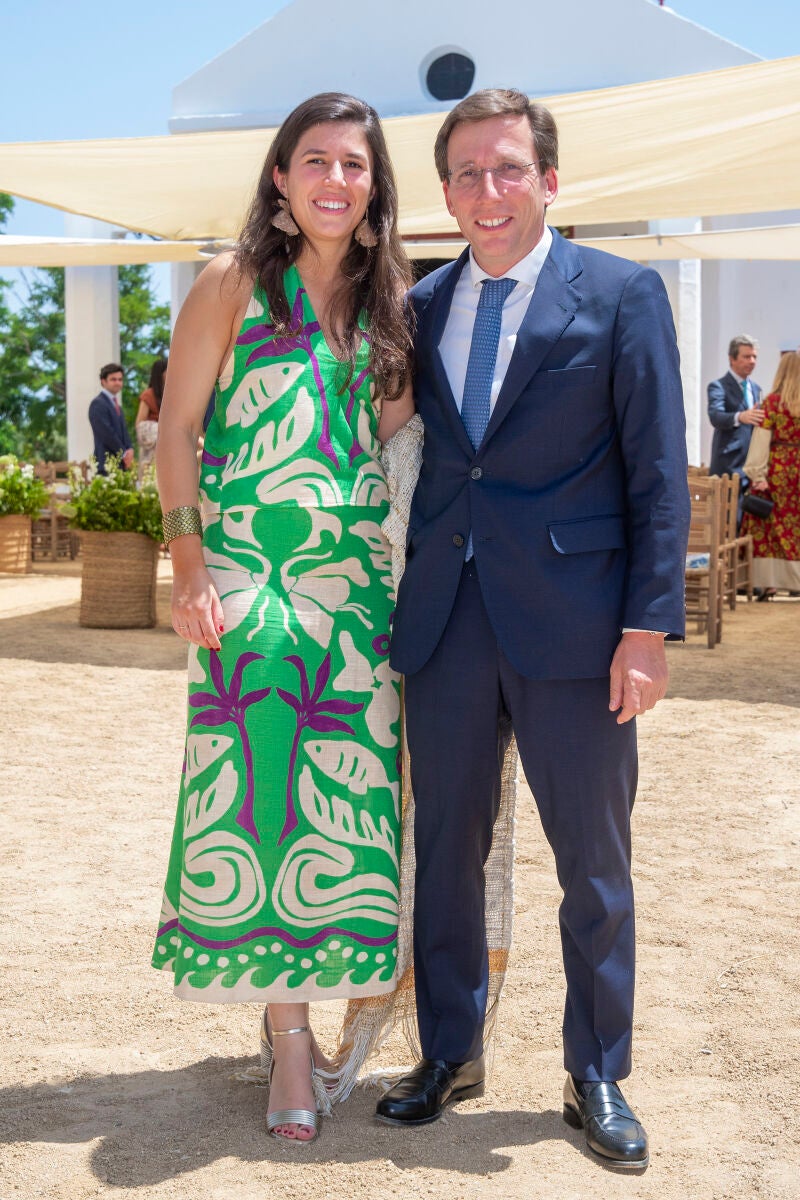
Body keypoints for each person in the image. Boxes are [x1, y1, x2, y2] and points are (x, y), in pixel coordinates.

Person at [375, 89, 690, 1172]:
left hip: (578, 631)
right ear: (446, 192)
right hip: (445, 628)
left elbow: (656, 476)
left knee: (591, 864)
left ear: (548, 180)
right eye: (465, 173)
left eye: (507, 168)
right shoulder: (415, 305)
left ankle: (594, 1070)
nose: (486, 191)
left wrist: (645, 626)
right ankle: (447, 1053)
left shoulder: (619, 292)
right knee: (444, 855)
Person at [151, 92, 414, 1144]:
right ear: (279, 176)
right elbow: (176, 434)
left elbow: (399, 446)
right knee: (255, 805)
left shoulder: (390, 299)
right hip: (248, 578)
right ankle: (287, 1043)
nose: (334, 181)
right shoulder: (228, 284)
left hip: (355, 592)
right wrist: (186, 565)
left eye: (354, 165)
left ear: (371, 184)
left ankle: (333, 1010)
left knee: (344, 813)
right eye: (315, 161)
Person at [741, 350, 800, 598]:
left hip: (778, 471)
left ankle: (769, 582)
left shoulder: (773, 402)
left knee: (767, 526)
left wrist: (758, 475)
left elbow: (761, 442)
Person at [707, 336, 764, 480]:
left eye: (754, 357)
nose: (752, 361)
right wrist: (740, 417)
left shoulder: (756, 389)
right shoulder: (718, 386)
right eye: (746, 356)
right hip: (728, 467)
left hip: (751, 468)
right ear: (732, 358)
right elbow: (715, 416)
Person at [88, 363, 133, 474]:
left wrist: (130, 449)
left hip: (120, 464)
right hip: (106, 463)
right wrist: (123, 453)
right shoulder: (98, 404)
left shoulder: (117, 406)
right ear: (103, 381)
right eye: (113, 379)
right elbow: (106, 433)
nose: (118, 382)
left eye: (120, 379)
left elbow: (124, 432)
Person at [135, 356, 167, 477]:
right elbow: (140, 424)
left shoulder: (172, 394)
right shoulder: (148, 395)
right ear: (160, 373)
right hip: (153, 450)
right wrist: (163, 430)